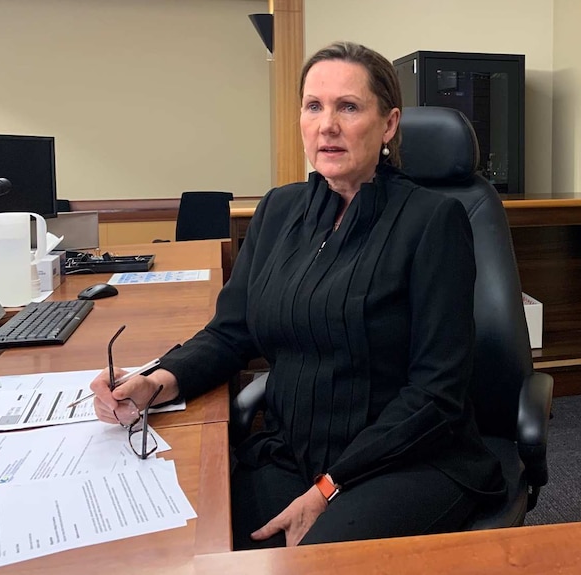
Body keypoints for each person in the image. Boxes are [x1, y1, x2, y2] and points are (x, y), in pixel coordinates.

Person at [88, 41, 505, 548]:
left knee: (311, 558)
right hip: (290, 451)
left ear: (389, 124)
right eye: (314, 106)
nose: (327, 124)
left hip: (405, 458)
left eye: (348, 107)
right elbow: (232, 331)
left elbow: (436, 393)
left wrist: (330, 486)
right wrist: (157, 380)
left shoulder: (432, 222)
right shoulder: (278, 210)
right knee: (193, 539)